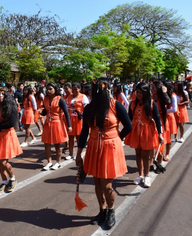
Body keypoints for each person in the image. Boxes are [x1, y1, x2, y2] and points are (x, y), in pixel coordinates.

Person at [75, 78, 132, 228]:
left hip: (110, 147)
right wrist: (79, 152)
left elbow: (128, 126)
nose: (92, 93)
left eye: (95, 90)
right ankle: (102, 210)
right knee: (97, 183)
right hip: (94, 146)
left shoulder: (115, 105)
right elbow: (84, 132)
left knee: (106, 185)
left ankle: (111, 211)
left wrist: (118, 137)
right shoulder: (89, 108)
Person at [124, 82, 164, 187]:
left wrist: (160, 133)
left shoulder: (151, 103)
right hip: (135, 130)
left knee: (145, 155)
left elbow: (157, 119)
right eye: (137, 92)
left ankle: (147, 176)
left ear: (146, 93)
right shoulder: (132, 104)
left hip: (147, 131)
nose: (138, 94)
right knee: (138, 154)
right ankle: (140, 175)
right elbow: (128, 118)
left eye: (141, 92)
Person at [0, 87, 22, 193]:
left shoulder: (11, 106)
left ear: (6, 95)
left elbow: (11, 123)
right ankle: (4, 182)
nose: (0, 96)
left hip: (8, 135)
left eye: (2, 94)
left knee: (3, 161)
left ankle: (12, 179)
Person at [41, 83, 72, 170]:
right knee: (46, 144)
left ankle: (58, 162)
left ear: (55, 89)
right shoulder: (45, 99)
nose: (48, 91)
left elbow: (66, 113)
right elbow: (45, 111)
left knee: (57, 144)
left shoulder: (60, 99)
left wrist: (69, 126)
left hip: (57, 123)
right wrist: (41, 112)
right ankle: (49, 162)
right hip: (48, 123)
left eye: (51, 89)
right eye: (47, 89)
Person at [151, 80, 171, 170]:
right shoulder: (150, 98)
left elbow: (169, 103)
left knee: (160, 145)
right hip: (151, 123)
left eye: (154, 88)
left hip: (161, 123)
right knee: (151, 144)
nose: (152, 90)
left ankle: (159, 164)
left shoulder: (162, 99)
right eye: (151, 88)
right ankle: (150, 164)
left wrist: (164, 92)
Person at [66, 82, 89, 160]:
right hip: (71, 118)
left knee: (79, 137)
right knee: (71, 137)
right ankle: (71, 153)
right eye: (73, 89)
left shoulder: (83, 97)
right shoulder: (69, 97)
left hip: (79, 119)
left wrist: (82, 114)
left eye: (76, 89)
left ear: (79, 89)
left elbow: (87, 108)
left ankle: (79, 153)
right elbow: (66, 106)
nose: (74, 91)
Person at [163, 80, 177, 160]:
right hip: (162, 117)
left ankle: (167, 153)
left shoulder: (172, 95)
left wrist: (163, 111)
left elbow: (174, 109)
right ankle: (159, 153)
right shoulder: (160, 95)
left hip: (169, 117)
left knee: (168, 137)